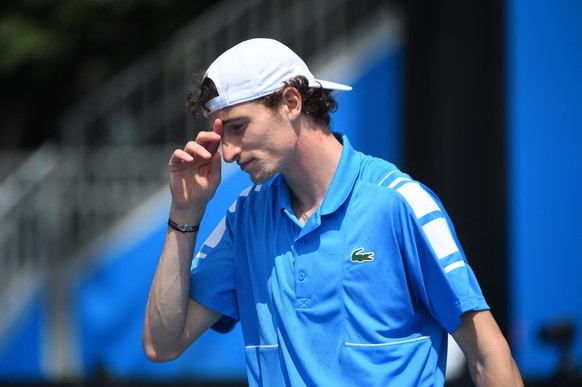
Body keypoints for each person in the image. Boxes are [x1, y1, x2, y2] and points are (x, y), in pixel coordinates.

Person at [142, 38, 523, 386]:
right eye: (221, 134)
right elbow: (163, 345)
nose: (227, 152)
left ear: (291, 102)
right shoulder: (245, 218)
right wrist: (185, 210)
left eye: (239, 127)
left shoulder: (399, 201)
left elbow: (489, 354)